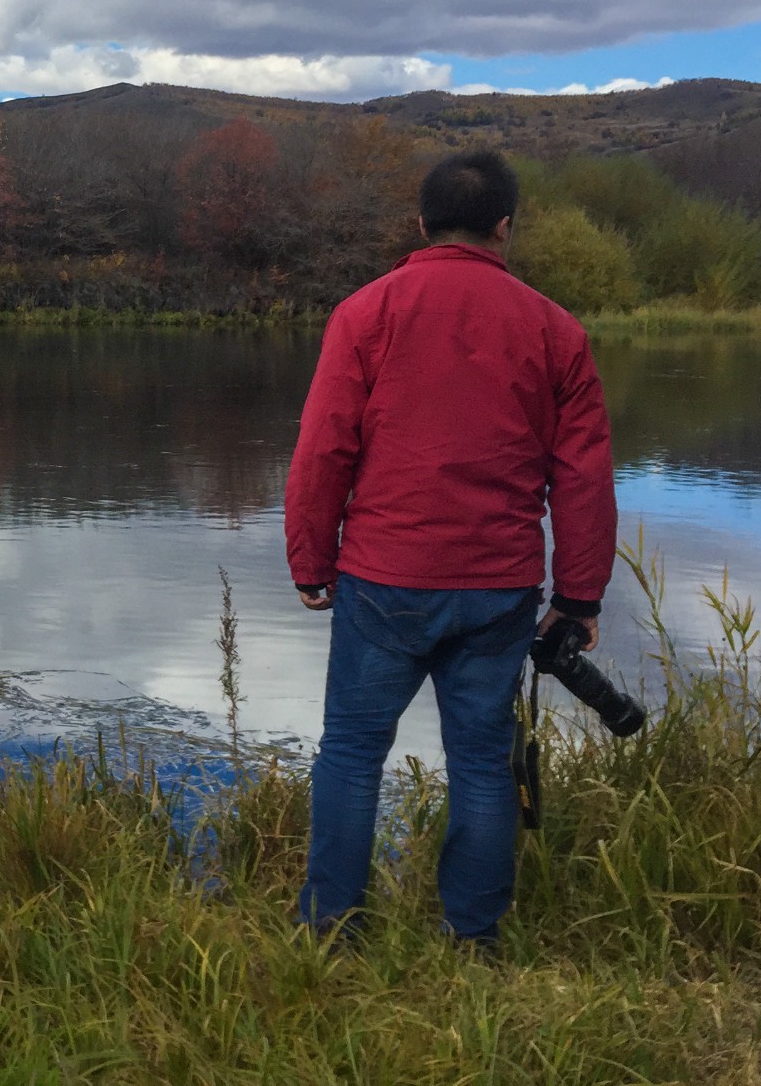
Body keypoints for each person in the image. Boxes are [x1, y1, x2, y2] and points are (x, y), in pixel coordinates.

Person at [284, 149, 615, 944]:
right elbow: (583, 475)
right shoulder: (555, 329)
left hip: (382, 580)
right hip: (498, 590)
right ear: (506, 228)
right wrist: (577, 597)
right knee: (480, 763)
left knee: (354, 755)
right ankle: (475, 938)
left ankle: (332, 930)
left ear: (421, 224)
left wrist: (309, 560)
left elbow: (323, 448)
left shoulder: (365, 313)